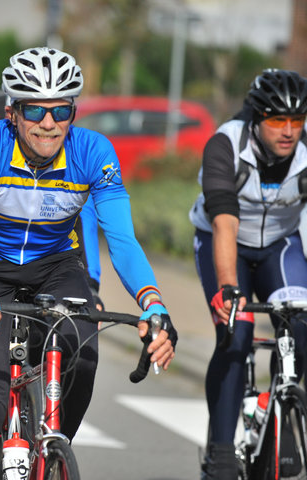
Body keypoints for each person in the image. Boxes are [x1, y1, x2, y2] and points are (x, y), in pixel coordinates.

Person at [0, 46, 177, 479]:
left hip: (55, 264)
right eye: (35, 110)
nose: (49, 124)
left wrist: (154, 303)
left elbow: (122, 240)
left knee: (83, 357)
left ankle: (52, 448)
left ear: (74, 111)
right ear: (12, 111)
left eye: (62, 110)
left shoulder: (94, 152)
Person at [189, 69, 307, 480]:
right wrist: (228, 289)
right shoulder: (225, 145)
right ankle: (221, 449)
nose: (289, 130)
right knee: (236, 334)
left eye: (297, 120)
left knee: (300, 325)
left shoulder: (305, 151)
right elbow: (224, 224)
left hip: (280, 247)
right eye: (277, 119)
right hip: (225, 245)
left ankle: (281, 412)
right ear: (256, 118)